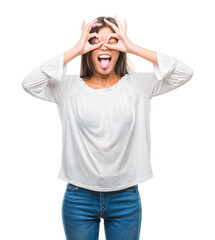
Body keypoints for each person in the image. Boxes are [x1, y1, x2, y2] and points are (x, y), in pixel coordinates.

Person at [22, 15, 193, 240]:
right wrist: (76, 49)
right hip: (79, 198)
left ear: (119, 50)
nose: (105, 46)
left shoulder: (138, 85)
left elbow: (184, 72)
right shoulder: (67, 88)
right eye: (96, 41)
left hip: (126, 198)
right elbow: (29, 83)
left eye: (112, 40)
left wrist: (132, 47)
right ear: (88, 50)